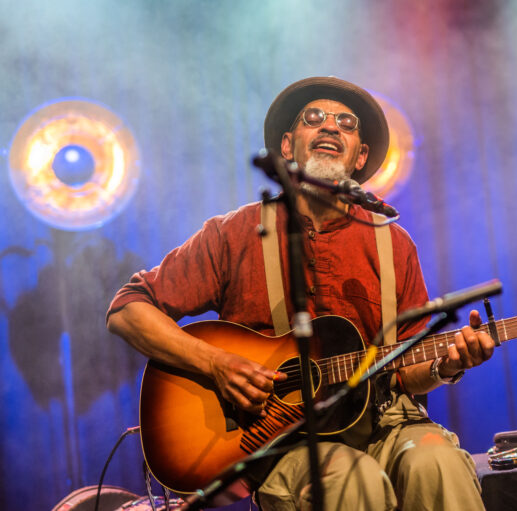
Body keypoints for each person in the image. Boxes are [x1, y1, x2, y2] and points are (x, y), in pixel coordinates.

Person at [107, 76, 496, 510]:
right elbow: (127, 309)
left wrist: (448, 364)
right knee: (353, 479)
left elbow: (408, 368)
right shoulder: (233, 234)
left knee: (438, 461)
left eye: (346, 124)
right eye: (315, 118)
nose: (331, 127)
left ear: (361, 156)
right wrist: (216, 364)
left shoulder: (394, 244)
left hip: (383, 427)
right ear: (288, 147)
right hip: (285, 444)